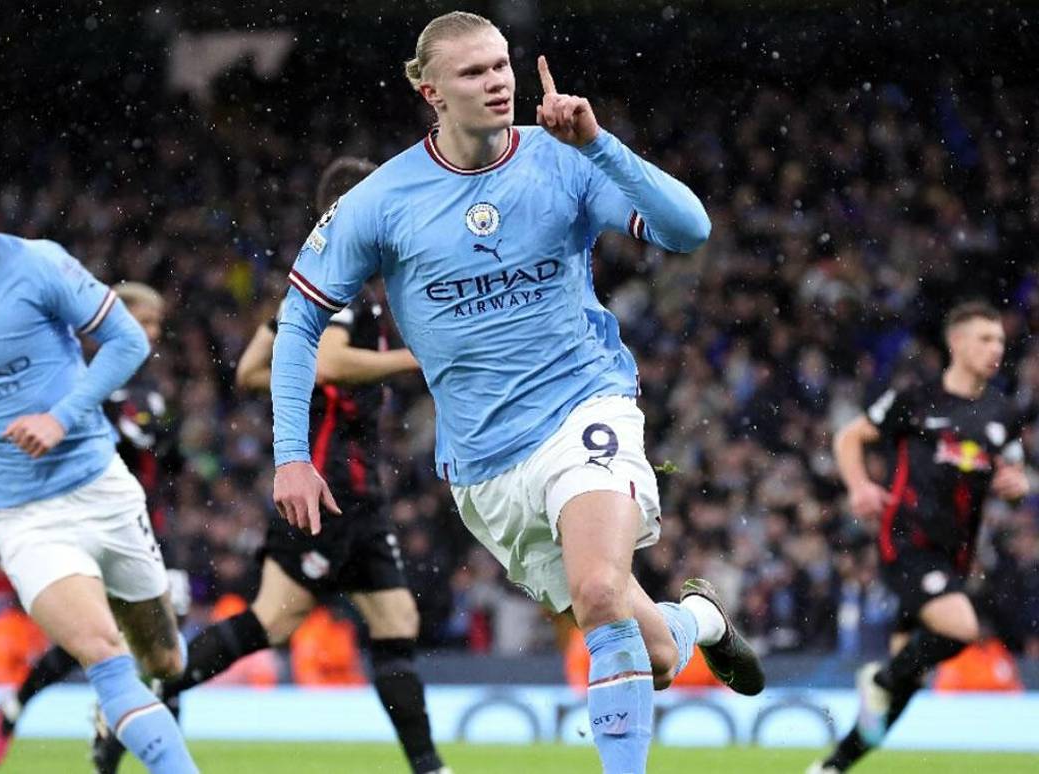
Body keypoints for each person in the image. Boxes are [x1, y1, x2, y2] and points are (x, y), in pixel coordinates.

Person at [269, 12, 763, 774]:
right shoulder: (382, 198)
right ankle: (697, 619)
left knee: (600, 592)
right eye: (474, 72)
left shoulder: (562, 159)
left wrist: (598, 143)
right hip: (484, 464)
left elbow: (688, 229)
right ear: (431, 90)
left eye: (502, 65)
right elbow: (299, 321)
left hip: (584, 407)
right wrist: (291, 455)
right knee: (653, 654)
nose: (497, 81)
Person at [0, 148, 197, 773]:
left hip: (102, 486)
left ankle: (116, 712)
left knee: (165, 661)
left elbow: (127, 339)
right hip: (22, 515)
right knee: (105, 653)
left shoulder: (38, 263)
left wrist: (61, 417)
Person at [156, 156, 451, 774]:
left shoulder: (309, 291)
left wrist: (305, 377)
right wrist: (414, 358)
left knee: (396, 619)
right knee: (272, 622)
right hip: (329, 486)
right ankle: (154, 691)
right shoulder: (346, 293)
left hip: (358, 492)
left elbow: (250, 370)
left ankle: (429, 767)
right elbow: (333, 365)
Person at [809, 301, 1030, 773]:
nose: (996, 349)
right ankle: (882, 677)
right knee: (962, 629)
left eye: (1000, 342)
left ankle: (832, 766)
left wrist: (1019, 485)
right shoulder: (916, 398)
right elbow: (850, 437)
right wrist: (859, 486)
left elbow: (1013, 473)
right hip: (906, 544)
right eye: (985, 339)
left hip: (954, 560)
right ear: (957, 343)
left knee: (904, 690)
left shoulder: (1002, 412)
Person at [0, 281, 188, 773]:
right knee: (96, 642)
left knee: (165, 653)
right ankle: (18, 712)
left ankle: (100, 742)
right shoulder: (85, 386)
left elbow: (169, 459)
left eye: (157, 324)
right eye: (145, 322)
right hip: (87, 526)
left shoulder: (152, 390)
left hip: (147, 530)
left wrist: (163, 437)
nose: (153, 333)